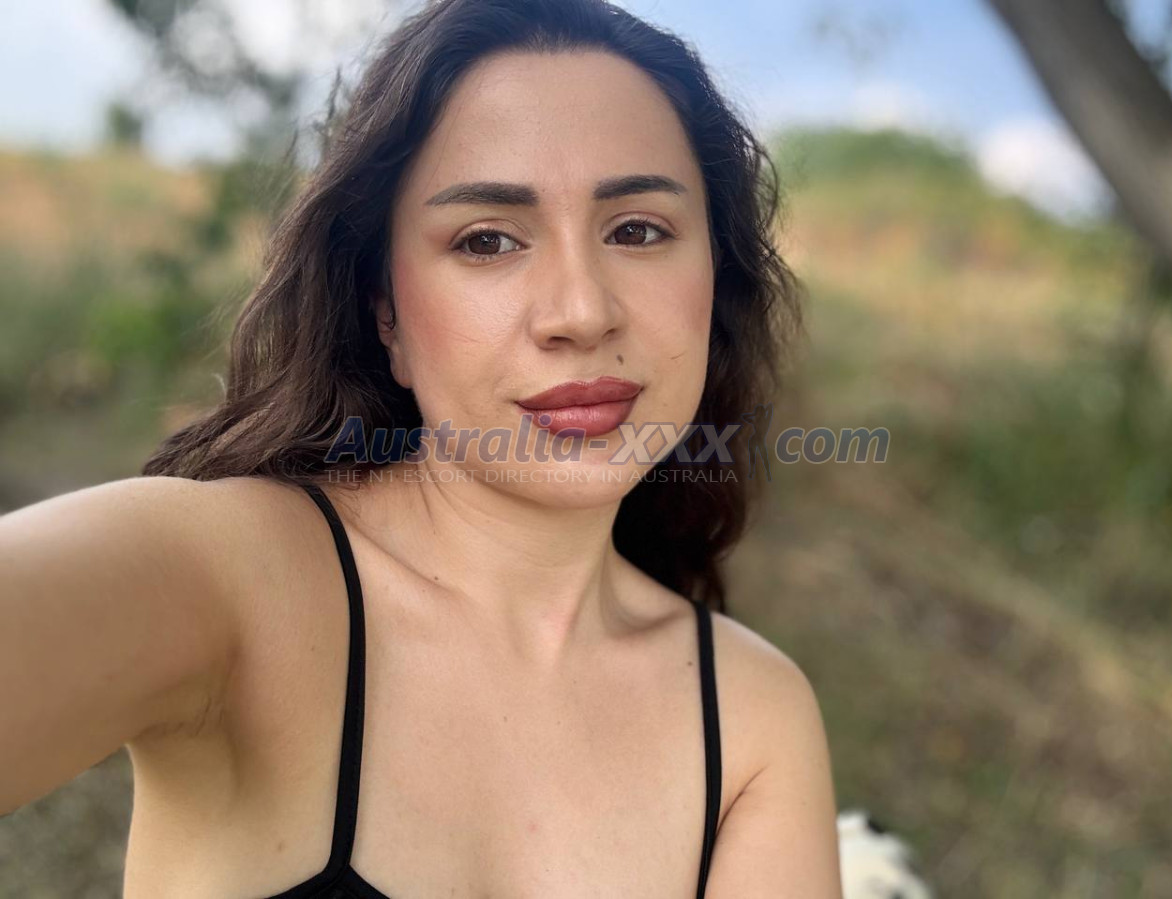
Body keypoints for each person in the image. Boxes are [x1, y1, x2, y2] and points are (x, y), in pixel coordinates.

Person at [0, 0, 842, 895]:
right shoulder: (227, 577)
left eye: (638, 230)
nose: (582, 312)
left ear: (715, 275)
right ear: (387, 315)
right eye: (487, 240)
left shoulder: (751, 716)